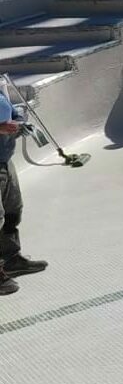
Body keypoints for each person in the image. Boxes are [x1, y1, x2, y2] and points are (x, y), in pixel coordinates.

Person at [0, 89, 47, 296]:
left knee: (13, 211)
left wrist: (20, 123)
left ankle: (11, 260)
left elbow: (10, 111)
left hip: (4, 159)